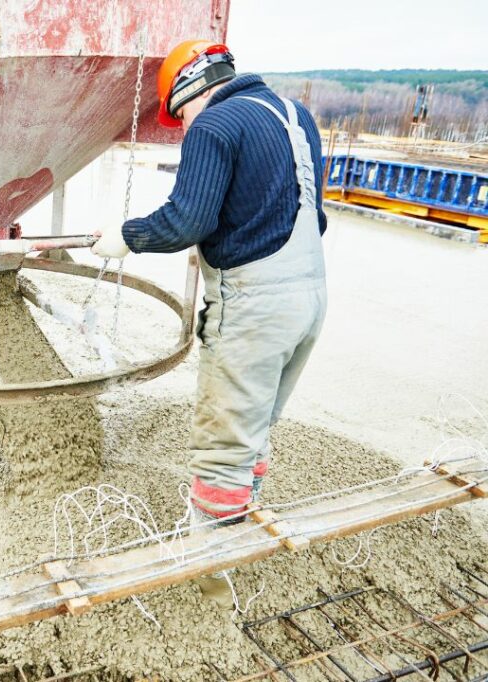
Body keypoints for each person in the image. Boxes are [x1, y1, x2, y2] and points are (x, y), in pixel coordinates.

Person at [92, 41, 328, 524]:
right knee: (255, 424)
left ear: (190, 89)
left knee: (223, 449)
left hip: (252, 309)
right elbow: (314, 216)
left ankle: (213, 578)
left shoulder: (215, 124)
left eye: (181, 117)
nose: (186, 128)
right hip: (310, 300)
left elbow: (186, 221)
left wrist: (125, 236)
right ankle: (245, 517)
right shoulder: (294, 114)